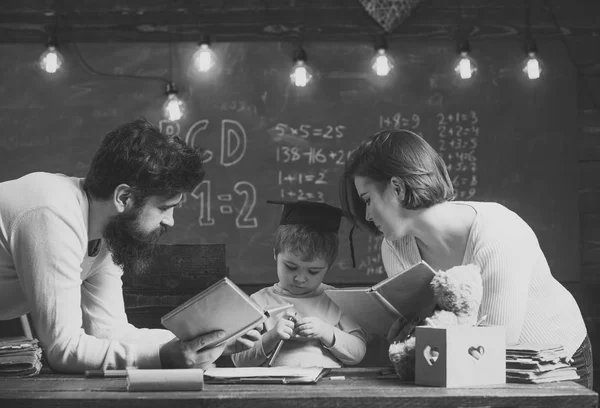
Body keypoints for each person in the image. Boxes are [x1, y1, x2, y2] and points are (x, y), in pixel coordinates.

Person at [0, 118, 259, 373]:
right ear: (124, 197)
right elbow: (63, 349)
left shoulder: (107, 231)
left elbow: (110, 331)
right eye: (164, 208)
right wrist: (163, 357)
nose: (170, 221)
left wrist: (207, 344)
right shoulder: (52, 213)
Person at [339, 129, 592, 389]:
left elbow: (499, 342)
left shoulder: (499, 232)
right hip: (475, 365)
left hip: (553, 362)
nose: (367, 215)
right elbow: (435, 332)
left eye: (367, 200)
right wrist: (409, 336)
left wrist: (428, 339)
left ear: (397, 187)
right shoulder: (394, 247)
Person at [231, 200, 367, 367]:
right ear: (275, 254)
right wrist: (272, 337)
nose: (300, 278)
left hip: (328, 388)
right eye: (291, 267)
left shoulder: (337, 301)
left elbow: (358, 352)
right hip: (271, 389)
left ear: (329, 266)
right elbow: (239, 361)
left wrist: (326, 332)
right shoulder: (258, 302)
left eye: (313, 271)